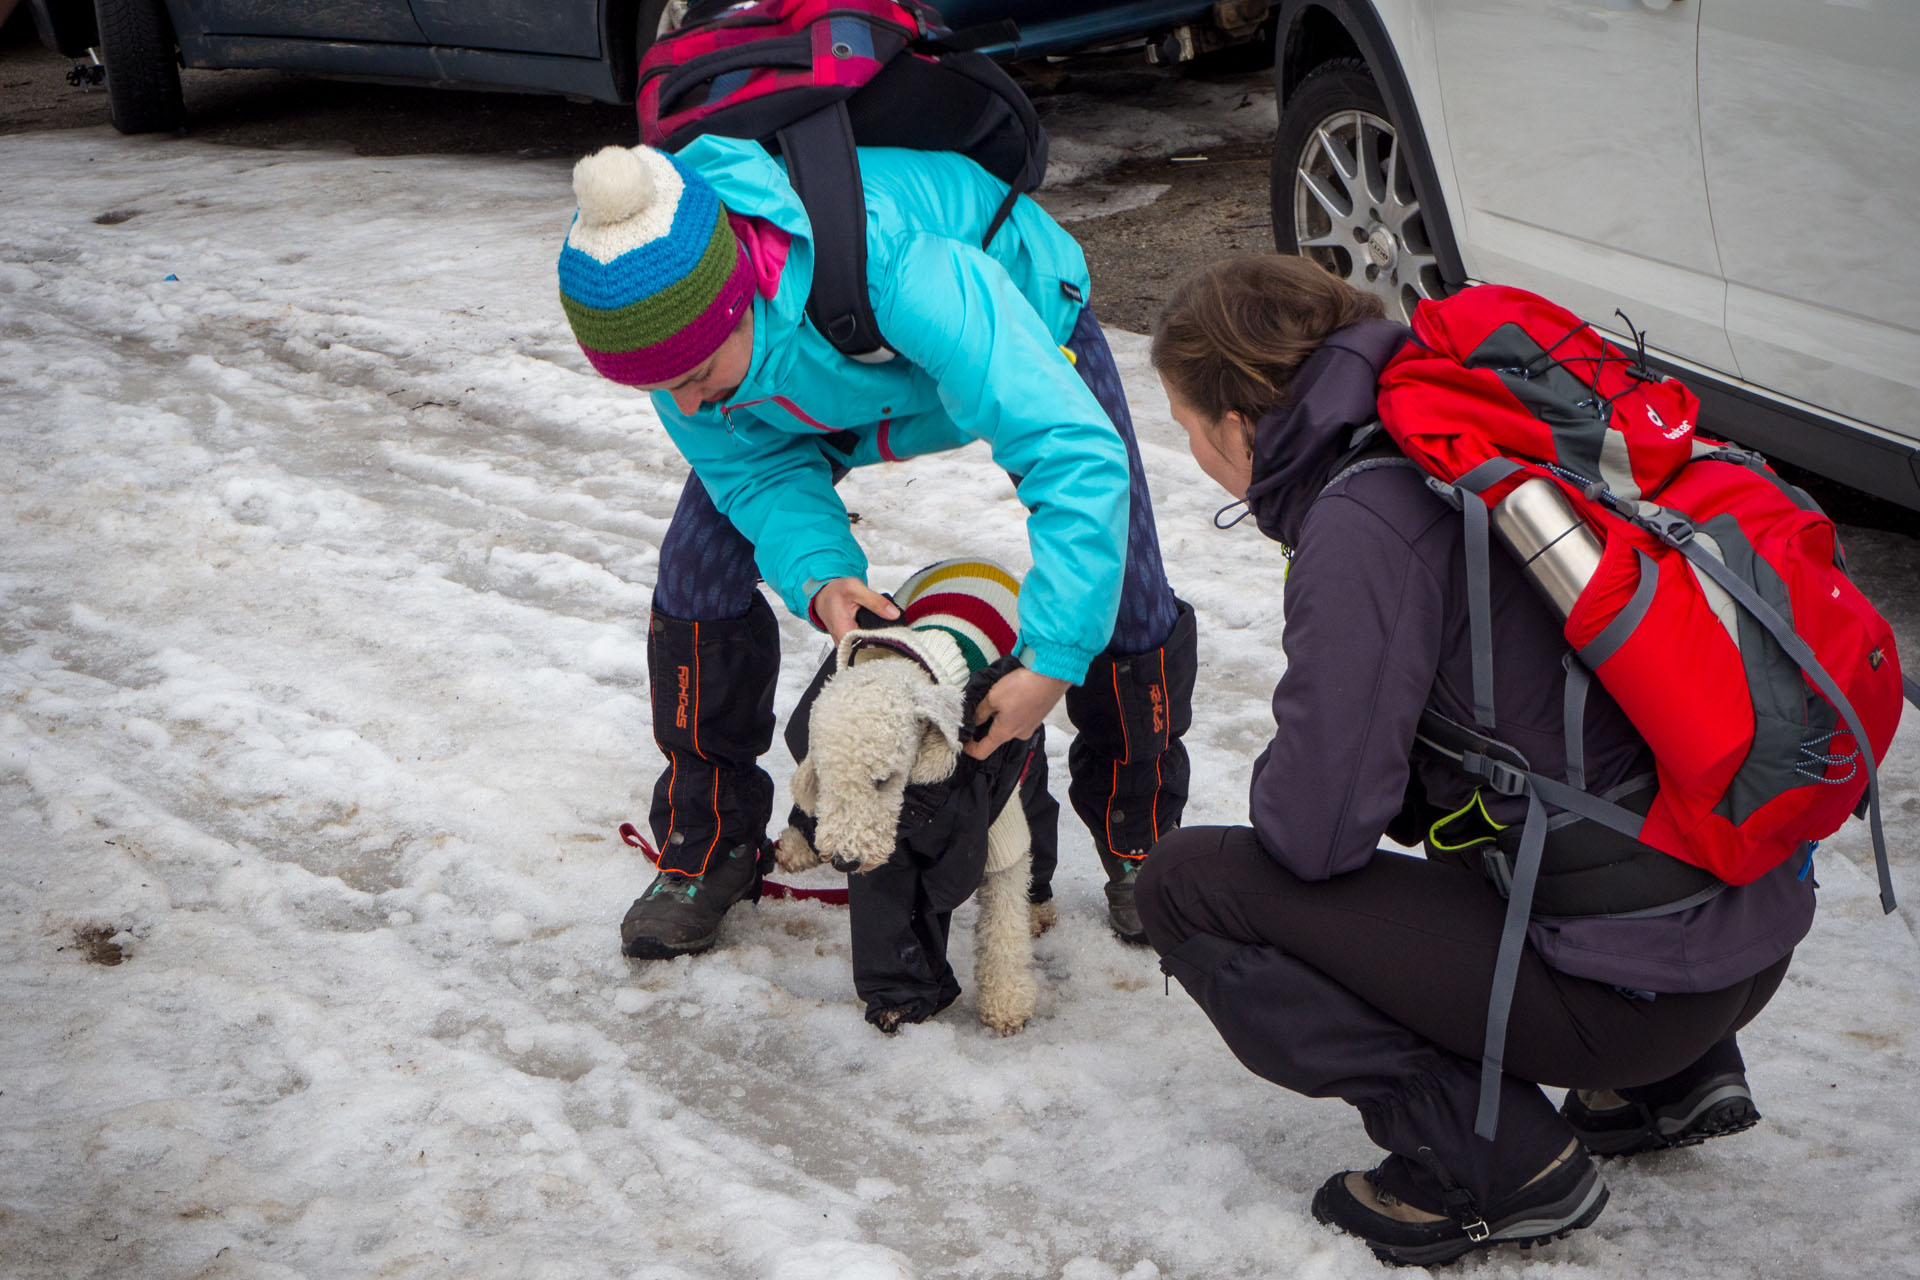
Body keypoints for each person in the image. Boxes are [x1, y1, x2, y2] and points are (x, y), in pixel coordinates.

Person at [1138, 255, 1811, 1267]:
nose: (1192, 450)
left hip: (1629, 998)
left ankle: (1491, 1157)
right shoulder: (1475, 432)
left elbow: (1315, 834)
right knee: (1486, 776)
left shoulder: (1366, 517)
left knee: (1191, 884)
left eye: (1189, 426)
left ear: (1242, 421)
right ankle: (1663, 1087)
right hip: (1747, 938)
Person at [555, 140, 1195, 960]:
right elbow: (750, 471)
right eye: (659, 386)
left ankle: (1139, 838)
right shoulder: (684, 347)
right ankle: (707, 842)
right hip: (827, 390)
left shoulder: (890, 261)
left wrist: (1053, 660)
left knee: (1123, 576)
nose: (683, 403)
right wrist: (825, 577)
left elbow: (1071, 454)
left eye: (697, 372)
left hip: (1019, 314)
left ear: (738, 296)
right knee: (694, 570)